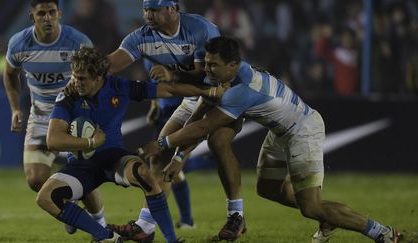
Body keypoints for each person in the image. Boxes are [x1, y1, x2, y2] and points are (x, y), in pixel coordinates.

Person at [141, 36, 402, 243]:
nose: (206, 70)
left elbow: (204, 126)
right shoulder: (228, 75)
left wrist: (164, 144)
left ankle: (381, 232)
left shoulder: (243, 91)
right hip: (281, 132)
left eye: (212, 65)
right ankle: (328, 216)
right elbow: (199, 115)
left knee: (310, 207)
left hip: (303, 131)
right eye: (206, 63)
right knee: (267, 190)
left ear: (232, 65)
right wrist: (178, 156)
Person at [36, 46, 221, 242]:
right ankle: (106, 237)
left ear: (99, 77)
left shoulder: (118, 86)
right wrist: (90, 141)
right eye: (74, 76)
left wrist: (208, 91)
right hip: (81, 165)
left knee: (145, 174)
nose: (75, 82)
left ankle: (171, 240)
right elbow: (53, 140)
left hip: (113, 157)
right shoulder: (68, 96)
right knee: (45, 198)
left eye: (82, 78)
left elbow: (167, 89)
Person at [107, 0, 246, 241]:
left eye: (154, 9)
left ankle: (236, 215)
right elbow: (111, 63)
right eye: (146, 9)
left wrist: (180, 157)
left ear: (172, 9)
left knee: (218, 142)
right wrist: (86, 67)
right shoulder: (142, 37)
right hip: (194, 97)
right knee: (159, 157)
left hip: (224, 94)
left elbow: (207, 74)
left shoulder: (201, 28)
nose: (148, 15)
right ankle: (145, 227)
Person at [2, 0, 106, 235]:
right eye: (41, 13)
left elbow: (98, 77)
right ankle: (68, 207)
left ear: (60, 13)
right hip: (40, 116)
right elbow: (9, 74)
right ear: (32, 16)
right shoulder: (19, 43)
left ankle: (99, 225)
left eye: (51, 12)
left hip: (74, 114)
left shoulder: (78, 42)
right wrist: (15, 108)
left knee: (84, 178)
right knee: (35, 179)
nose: (47, 18)